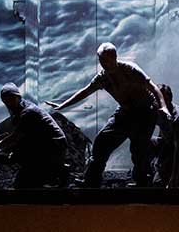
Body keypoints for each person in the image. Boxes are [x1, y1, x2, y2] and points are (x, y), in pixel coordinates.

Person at [46, 42, 171, 187]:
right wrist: (63, 105)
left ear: (115, 57)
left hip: (145, 113)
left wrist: (163, 107)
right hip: (125, 112)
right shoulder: (102, 78)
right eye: (101, 60)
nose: (104, 64)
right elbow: (85, 92)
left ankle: (142, 184)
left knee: (139, 150)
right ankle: (91, 181)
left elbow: (154, 88)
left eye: (107, 60)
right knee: (102, 142)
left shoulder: (130, 69)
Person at [0, 83, 68, 188]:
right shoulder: (20, 110)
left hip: (53, 147)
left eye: (10, 99)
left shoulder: (28, 112)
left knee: (23, 183)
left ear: (18, 97)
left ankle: (59, 173)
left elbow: (14, 137)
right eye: (5, 101)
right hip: (44, 145)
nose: (8, 103)